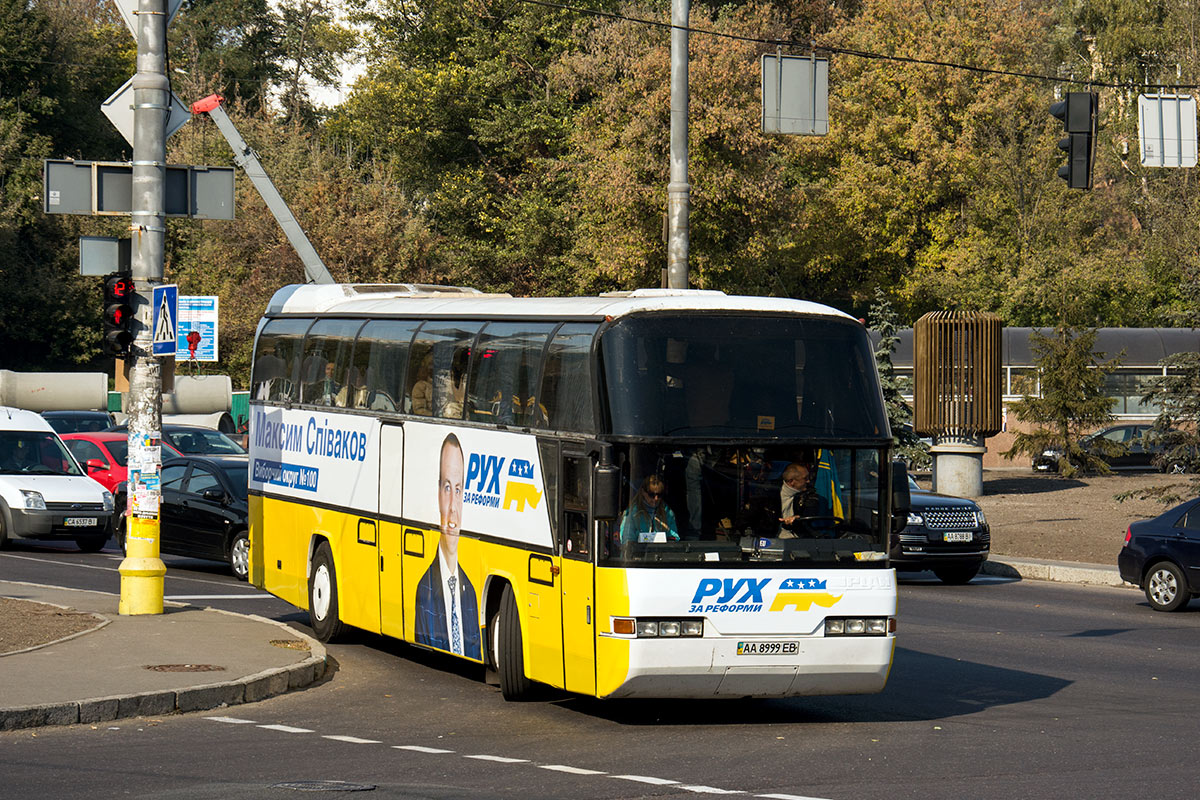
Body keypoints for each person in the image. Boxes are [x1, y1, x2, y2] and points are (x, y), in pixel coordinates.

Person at [414, 434, 481, 659]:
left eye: (459, 490)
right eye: (447, 488)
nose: (453, 506)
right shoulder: (424, 589)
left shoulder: (471, 592)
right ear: (437, 493)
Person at [619, 475, 680, 543]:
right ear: (643, 492)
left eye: (659, 495)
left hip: (662, 552)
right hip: (639, 552)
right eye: (652, 495)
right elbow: (627, 540)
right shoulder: (632, 513)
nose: (656, 499)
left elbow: (675, 538)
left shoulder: (667, 512)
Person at [779, 462, 821, 537]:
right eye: (805, 478)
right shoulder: (771, 491)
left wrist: (798, 518)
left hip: (799, 539)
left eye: (808, 477)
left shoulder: (810, 494)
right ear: (791, 481)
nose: (808, 481)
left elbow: (811, 512)